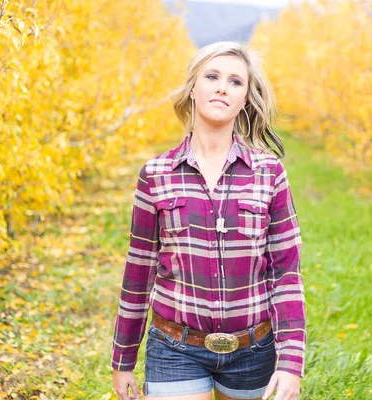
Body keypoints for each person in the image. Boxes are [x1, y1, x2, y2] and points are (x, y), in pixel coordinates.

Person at [111, 41, 306, 400]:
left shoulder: (269, 173)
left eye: (235, 81)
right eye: (212, 76)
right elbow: (139, 270)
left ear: (245, 97)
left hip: (253, 350)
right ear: (193, 89)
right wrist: (123, 358)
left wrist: (290, 362)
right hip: (175, 347)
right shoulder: (156, 174)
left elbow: (286, 273)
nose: (222, 87)